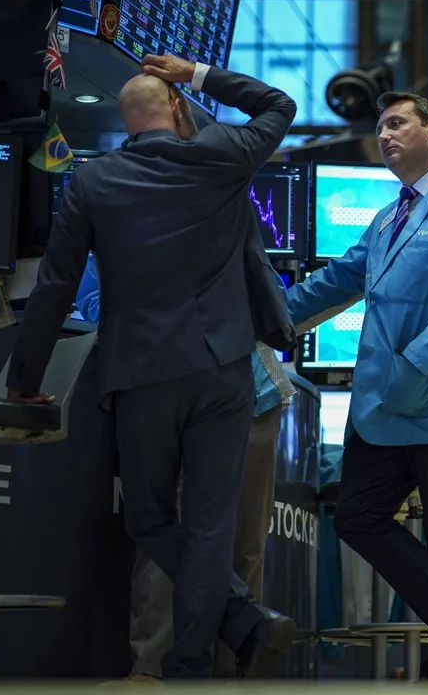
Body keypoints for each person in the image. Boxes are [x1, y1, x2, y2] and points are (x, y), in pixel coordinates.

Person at [5, 53, 298, 679]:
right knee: (210, 526)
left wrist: (25, 380)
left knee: (151, 518)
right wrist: (195, 72)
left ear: (125, 121)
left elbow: (55, 287)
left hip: (142, 374)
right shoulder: (223, 155)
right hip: (224, 368)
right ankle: (198, 662)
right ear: (176, 109)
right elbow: (279, 104)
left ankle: (243, 623)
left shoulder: (93, 181)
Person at [282, 91, 428, 680]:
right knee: (357, 516)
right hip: (384, 406)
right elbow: (339, 279)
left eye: (396, 123)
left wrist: (414, 363)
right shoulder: (389, 216)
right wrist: (266, 313)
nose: (384, 135)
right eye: (380, 127)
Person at [73, 252, 294, 680]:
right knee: (171, 535)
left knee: (245, 542)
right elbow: (94, 304)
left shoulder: (228, 216)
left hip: (255, 391)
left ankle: (235, 672)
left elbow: (271, 294)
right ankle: (153, 670)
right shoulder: (109, 224)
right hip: (172, 386)